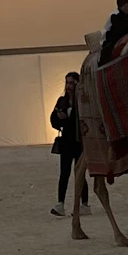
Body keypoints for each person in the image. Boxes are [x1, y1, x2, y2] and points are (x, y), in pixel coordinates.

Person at [49, 71, 81, 217]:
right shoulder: (61, 100)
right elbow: (53, 120)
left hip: (79, 142)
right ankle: (60, 203)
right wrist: (60, 118)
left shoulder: (82, 101)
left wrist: (67, 118)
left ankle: (84, 204)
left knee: (79, 173)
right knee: (64, 173)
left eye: (71, 83)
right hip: (67, 142)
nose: (68, 86)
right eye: (67, 83)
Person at [100, 0, 128, 66]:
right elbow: (121, 31)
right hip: (109, 46)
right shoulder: (115, 16)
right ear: (126, 5)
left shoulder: (127, 18)